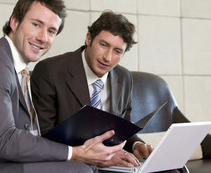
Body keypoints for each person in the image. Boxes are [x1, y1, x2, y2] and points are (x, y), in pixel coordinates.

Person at [0, 0, 125, 173]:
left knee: (84, 166)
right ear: (14, 22)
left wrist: (88, 153)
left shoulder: (16, 67)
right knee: (78, 170)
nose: (42, 38)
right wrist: (76, 154)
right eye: (36, 24)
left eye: (51, 31)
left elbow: (25, 135)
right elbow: (5, 141)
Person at [31, 10, 153, 168]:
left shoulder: (124, 77)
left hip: (112, 165)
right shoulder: (50, 71)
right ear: (89, 38)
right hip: (69, 165)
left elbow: (123, 128)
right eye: (103, 45)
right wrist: (95, 158)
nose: (107, 58)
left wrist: (137, 145)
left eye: (117, 51)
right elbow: (42, 137)